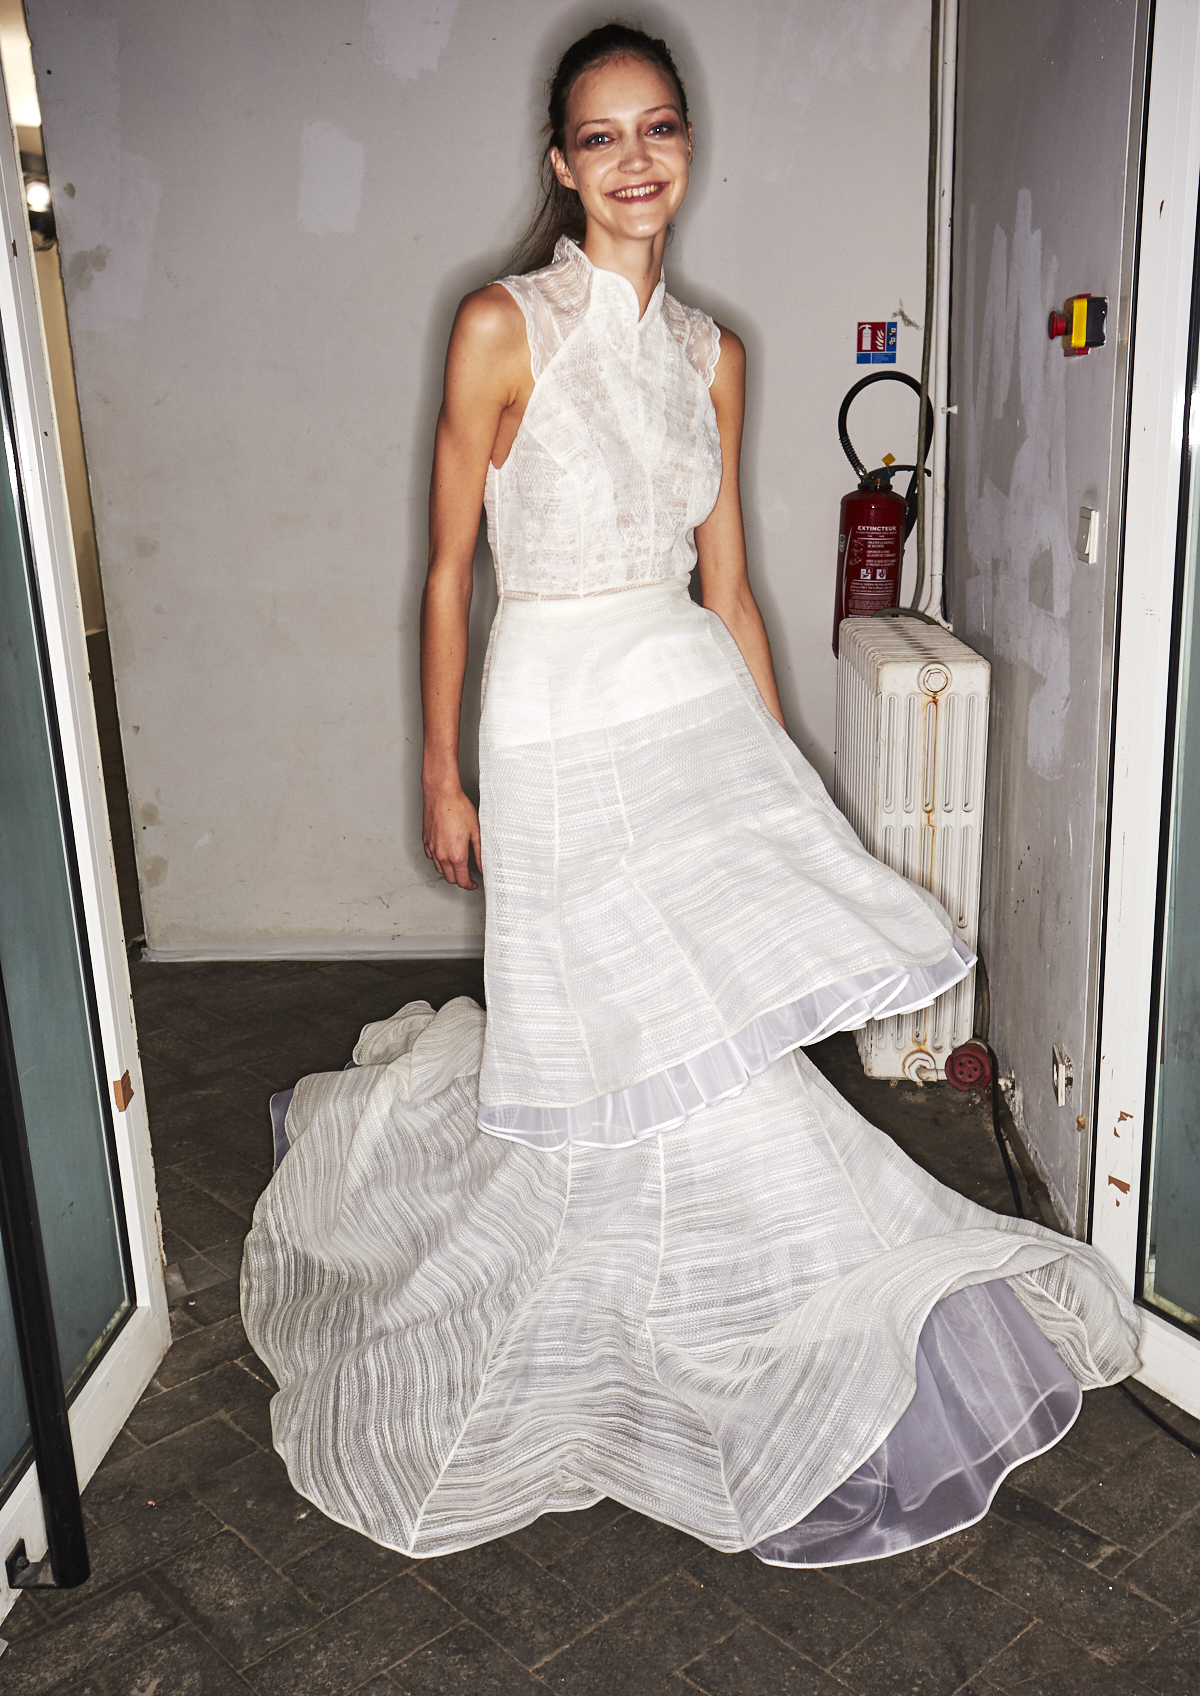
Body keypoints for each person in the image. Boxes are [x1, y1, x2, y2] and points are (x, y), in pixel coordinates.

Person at [241, 23, 1138, 1567]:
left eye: (658, 129)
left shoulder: (712, 354)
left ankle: (737, 1315)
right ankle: (589, 1309)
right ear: (559, 165)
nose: (636, 160)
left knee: (708, 1042)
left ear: (685, 148)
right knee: (595, 1033)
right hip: (549, 715)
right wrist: (439, 768)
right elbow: (452, 567)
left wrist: (779, 780)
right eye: (601, 138)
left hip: (681, 706)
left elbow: (727, 591)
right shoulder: (497, 327)